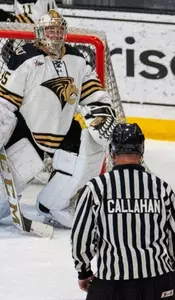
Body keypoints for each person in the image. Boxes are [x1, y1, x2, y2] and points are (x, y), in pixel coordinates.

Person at [0, 9, 117, 228]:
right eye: (50, 31)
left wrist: (101, 109)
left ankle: (52, 204)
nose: (55, 35)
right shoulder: (24, 58)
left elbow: (92, 92)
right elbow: (5, 103)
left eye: (58, 31)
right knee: (2, 201)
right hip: (26, 130)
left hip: (64, 129)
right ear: (39, 33)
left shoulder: (77, 59)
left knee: (91, 149)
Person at [71, 123, 175, 300]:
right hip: (157, 282)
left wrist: (84, 271)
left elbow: (81, 238)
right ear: (141, 151)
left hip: (112, 284)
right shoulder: (161, 188)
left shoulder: (96, 188)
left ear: (113, 152)